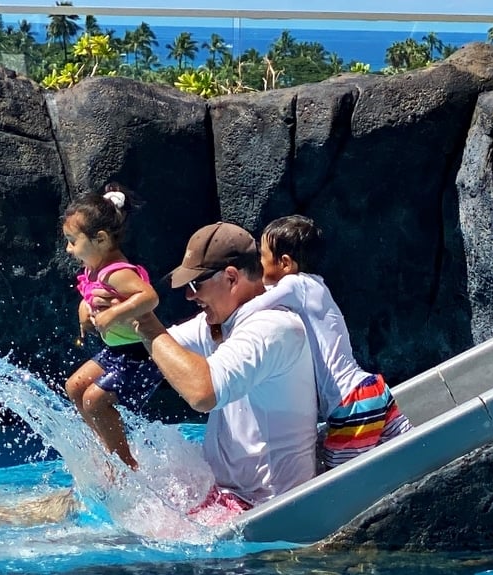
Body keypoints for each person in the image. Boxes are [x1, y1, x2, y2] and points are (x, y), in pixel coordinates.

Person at [128, 221, 319, 524]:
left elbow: (203, 393)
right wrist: (115, 311)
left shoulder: (273, 328)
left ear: (231, 277)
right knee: (113, 497)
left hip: (262, 508)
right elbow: (159, 348)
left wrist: (148, 325)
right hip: (222, 495)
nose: (190, 297)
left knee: (120, 540)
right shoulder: (226, 320)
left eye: (195, 286)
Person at [249, 215, 413, 469]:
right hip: (372, 389)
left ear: (284, 263)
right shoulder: (317, 285)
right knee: (417, 448)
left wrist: (216, 322)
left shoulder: (294, 284)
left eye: (262, 256)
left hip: (350, 403)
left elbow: (253, 308)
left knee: (336, 479)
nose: (258, 264)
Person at [62, 183, 164, 470]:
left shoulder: (117, 272)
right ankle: (106, 450)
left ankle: (125, 464)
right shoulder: (93, 267)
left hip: (139, 356)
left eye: (73, 240)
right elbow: (89, 293)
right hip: (117, 352)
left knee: (94, 400)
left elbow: (149, 296)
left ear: (101, 239)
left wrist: (113, 314)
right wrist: (85, 306)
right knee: (75, 386)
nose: (69, 249)